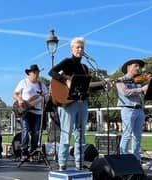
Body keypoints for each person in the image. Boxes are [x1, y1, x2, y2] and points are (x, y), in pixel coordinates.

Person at [48, 37, 90, 171]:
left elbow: (84, 86)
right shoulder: (67, 62)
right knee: (66, 134)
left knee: (81, 135)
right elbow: (52, 72)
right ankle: (62, 163)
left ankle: (80, 162)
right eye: (77, 47)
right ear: (72, 49)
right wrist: (65, 80)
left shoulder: (85, 67)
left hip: (82, 102)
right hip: (67, 103)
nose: (80, 50)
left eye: (82, 48)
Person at [12, 64, 48, 161]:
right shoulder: (23, 82)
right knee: (25, 129)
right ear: (29, 73)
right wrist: (19, 99)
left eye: (37, 73)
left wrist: (46, 99)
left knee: (36, 133)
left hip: (38, 112)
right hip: (25, 111)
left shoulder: (42, 85)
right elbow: (14, 94)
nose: (36, 75)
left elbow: (46, 96)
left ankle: (33, 152)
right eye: (34, 73)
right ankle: (24, 152)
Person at [115, 59, 149, 162]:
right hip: (128, 109)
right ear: (129, 67)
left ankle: (136, 158)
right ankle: (123, 158)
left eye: (139, 67)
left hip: (140, 110)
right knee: (127, 134)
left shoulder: (139, 81)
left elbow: (143, 93)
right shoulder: (120, 80)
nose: (138, 68)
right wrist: (141, 89)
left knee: (137, 136)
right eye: (136, 66)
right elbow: (125, 92)